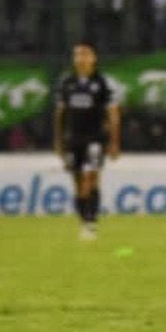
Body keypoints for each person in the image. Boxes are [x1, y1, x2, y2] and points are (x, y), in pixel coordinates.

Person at [54, 41, 120, 241]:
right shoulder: (66, 83)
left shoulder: (102, 83)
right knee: (77, 182)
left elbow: (113, 113)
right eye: (77, 54)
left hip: (95, 138)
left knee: (90, 178)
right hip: (73, 138)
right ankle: (84, 221)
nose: (80, 58)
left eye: (85, 54)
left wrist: (115, 142)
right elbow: (60, 114)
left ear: (94, 58)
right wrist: (58, 141)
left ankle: (91, 222)